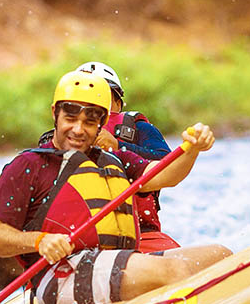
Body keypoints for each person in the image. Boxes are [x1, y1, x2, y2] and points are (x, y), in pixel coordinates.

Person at [0, 70, 232, 304]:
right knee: (173, 271)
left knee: (220, 256)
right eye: (70, 119)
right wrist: (39, 241)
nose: (78, 129)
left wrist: (193, 149)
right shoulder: (29, 165)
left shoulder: (114, 159)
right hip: (63, 273)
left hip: (117, 260)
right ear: (55, 113)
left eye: (89, 122)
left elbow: (166, 175)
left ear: (102, 122)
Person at [75, 61, 179, 253]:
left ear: (116, 101)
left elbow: (169, 164)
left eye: (99, 94)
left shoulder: (139, 129)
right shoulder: (64, 135)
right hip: (79, 236)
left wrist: (118, 145)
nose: (92, 103)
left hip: (141, 233)